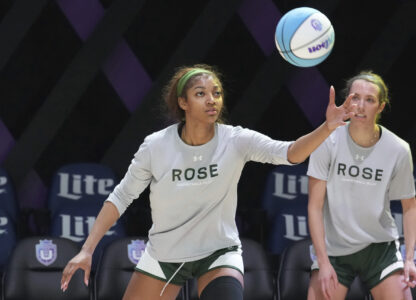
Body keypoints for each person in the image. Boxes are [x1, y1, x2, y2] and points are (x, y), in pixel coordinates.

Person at [61, 63, 354, 300]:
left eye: (216, 92)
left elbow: (289, 153)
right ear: (183, 103)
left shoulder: (236, 140)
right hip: (166, 255)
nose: (211, 99)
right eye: (201, 93)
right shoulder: (156, 146)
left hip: (218, 252)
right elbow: (120, 198)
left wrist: (327, 127)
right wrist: (87, 250)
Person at [307, 71, 416, 300]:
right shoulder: (326, 139)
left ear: (381, 107)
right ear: (347, 101)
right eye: (355, 97)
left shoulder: (398, 149)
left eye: (370, 100)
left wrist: (409, 259)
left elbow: (410, 207)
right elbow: (314, 207)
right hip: (334, 247)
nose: (360, 105)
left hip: (380, 249)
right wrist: (323, 262)